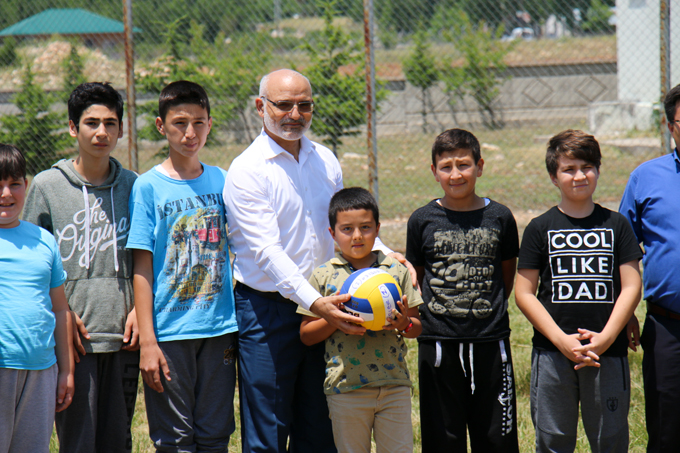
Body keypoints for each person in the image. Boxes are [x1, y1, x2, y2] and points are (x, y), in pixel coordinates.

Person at [223, 68, 412, 453]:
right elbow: (267, 252)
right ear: (260, 106)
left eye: (304, 105)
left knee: (320, 425)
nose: (295, 114)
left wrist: (386, 252)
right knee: (268, 429)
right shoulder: (247, 170)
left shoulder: (325, 159)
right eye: (283, 105)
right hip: (270, 310)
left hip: (329, 305)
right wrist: (316, 302)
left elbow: (344, 223)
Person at [22, 82, 139, 453]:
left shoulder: (134, 186)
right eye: (91, 123)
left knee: (118, 441)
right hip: (75, 340)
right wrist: (62, 315)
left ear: (121, 129)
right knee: (78, 442)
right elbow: (32, 264)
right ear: (73, 128)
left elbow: (145, 257)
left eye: (110, 123)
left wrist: (140, 309)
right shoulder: (47, 186)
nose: (101, 132)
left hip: (124, 337)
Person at [127, 81, 238, 451]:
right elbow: (142, 267)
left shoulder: (223, 180)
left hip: (219, 329)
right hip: (170, 334)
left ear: (210, 124)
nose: (190, 133)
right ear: (161, 126)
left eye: (198, 123)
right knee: (174, 439)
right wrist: (148, 341)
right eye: (179, 123)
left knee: (215, 435)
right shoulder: (147, 187)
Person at [515, 130, 642, 452]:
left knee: (610, 440)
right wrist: (561, 340)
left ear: (598, 169)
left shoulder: (617, 225)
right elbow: (524, 293)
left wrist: (607, 337)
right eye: (568, 169)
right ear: (553, 177)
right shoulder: (539, 227)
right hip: (553, 353)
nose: (579, 176)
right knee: (553, 440)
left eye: (587, 167)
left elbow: (631, 286)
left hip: (606, 353)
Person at [406, 128, 520, 452]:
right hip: (438, 344)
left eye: (464, 164)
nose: (455, 174)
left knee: (497, 438)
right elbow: (417, 278)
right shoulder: (421, 219)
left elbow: (506, 276)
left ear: (479, 166)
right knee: (443, 438)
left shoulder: (500, 217)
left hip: (491, 342)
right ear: (434, 172)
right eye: (446, 167)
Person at [299, 187, 423, 453]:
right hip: (345, 388)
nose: (357, 236)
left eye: (365, 227)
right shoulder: (323, 275)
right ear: (332, 233)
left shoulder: (395, 271)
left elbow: (416, 326)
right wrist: (335, 318)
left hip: (394, 385)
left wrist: (404, 324)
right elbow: (306, 335)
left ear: (377, 229)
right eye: (347, 229)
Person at [0, 144, 74, 452]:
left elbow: (61, 310)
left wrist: (66, 370)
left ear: (26, 185)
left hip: (41, 370)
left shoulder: (44, 241)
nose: (6, 194)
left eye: (14, 184)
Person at [619, 84, 680, 452]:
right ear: (670, 126)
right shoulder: (645, 177)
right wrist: (626, 311)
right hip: (667, 325)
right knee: (666, 429)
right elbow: (623, 250)